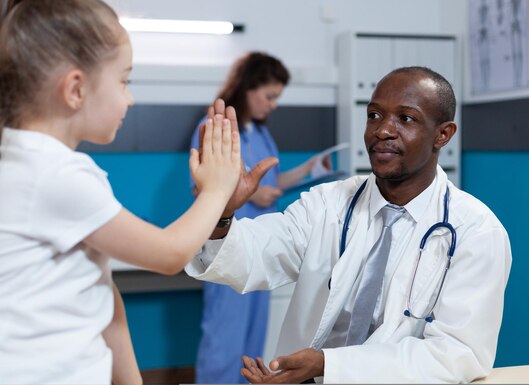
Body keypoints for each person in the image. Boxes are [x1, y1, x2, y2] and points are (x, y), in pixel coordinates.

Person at [0, 0, 273, 384]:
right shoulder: (54, 174)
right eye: (124, 81)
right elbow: (168, 254)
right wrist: (216, 190)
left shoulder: (31, 163)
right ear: (76, 89)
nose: (129, 97)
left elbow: (101, 293)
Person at [186, 66, 512, 383]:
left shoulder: (476, 231)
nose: (382, 130)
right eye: (374, 115)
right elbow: (252, 257)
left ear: (443, 134)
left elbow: (456, 354)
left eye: (406, 118)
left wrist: (329, 365)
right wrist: (219, 210)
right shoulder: (328, 202)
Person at [189, 51, 330, 384]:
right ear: (247, 88)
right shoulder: (216, 129)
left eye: (277, 97)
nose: (273, 104)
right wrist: (250, 194)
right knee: (224, 338)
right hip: (228, 245)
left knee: (253, 342)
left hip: (261, 248)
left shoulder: (263, 134)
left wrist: (307, 171)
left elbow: (270, 182)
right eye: (269, 96)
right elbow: (207, 189)